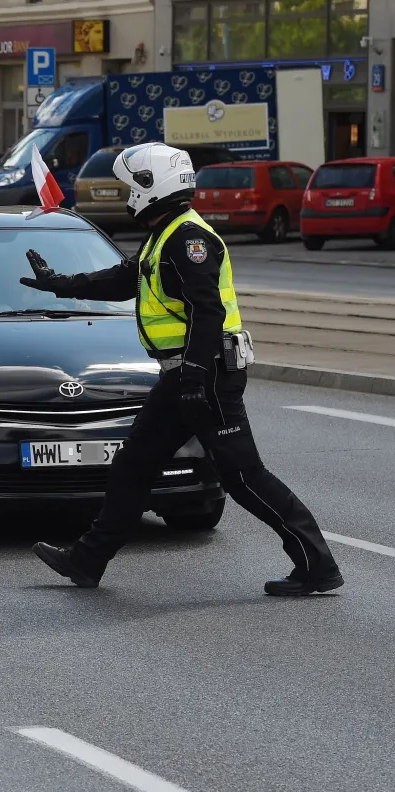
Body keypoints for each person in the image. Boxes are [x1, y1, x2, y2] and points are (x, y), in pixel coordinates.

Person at [20, 142, 341, 597]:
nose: (127, 193)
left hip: (206, 375)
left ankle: (317, 564)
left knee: (244, 476)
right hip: (186, 376)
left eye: (130, 185)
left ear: (151, 186)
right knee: (133, 465)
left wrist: (193, 377)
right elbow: (126, 277)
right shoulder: (166, 233)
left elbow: (207, 313)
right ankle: (88, 560)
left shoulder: (190, 240)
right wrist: (60, 285)